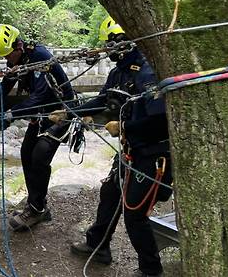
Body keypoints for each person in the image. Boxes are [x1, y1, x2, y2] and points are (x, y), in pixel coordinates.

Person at [67, 16, 172, 277]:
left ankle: (151, 269)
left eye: (114, 43)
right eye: (109, 44)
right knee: (110, 194)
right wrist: (69, 112)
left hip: (153, 154)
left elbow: (160, 120)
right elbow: (104, 100)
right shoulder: (119, 72)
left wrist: (124, 128)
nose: (110, 49)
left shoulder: (147, 70)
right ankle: (98, 245)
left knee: (134, 214)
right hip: (131, 151)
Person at [0, 23, 75, 231]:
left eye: (8, 55)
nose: (6, 60)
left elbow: (40, 96)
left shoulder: (40, 57)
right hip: (41, 114)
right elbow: (5, 86)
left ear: (18, 46)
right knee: (26, 153)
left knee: (40, 155)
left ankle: (35, 209)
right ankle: (37, 205)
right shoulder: (19, 60)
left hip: (62, 112)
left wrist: (11, 115)